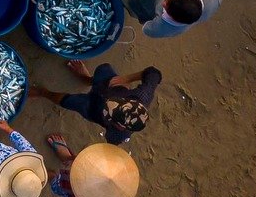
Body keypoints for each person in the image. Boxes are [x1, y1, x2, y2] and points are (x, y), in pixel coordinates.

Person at [30, 60, 161, 145]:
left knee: (68, 101)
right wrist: (126, 78)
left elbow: (109, 147)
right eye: (116, 103)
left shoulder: (118, 135)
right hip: (110, 85)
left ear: (120, 126)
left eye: (109, 112)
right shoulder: (143, 95)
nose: (109, 103)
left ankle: (43, 93)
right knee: (104, 68)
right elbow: (154, 73)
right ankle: (86, 79)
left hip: (92, 108)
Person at [43, 136, 141, 197]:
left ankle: (49, 173)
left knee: (55, 180)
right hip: (81, 191)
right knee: (79, 163)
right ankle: (67, 158)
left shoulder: (80, 192)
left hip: (68, 187)